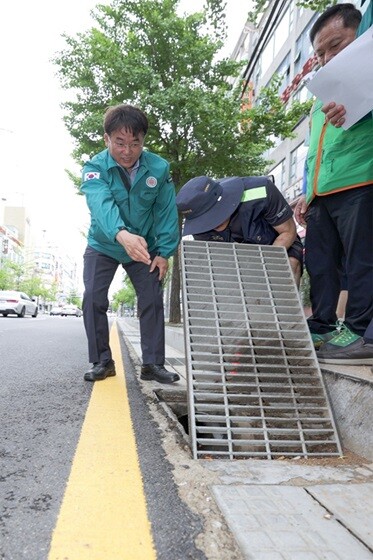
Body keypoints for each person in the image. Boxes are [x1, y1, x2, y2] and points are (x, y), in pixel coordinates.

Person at [294, 3, 373, 365]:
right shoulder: (318, 98)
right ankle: (324, 324)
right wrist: (306, 193)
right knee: (321, 264)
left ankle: (360, 331)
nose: (326, 58)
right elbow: (315, 152)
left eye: (335, 45)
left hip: (360, 180)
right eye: (320, 53)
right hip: (321, 195)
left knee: (362, 261)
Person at [80, 104, 180, 384]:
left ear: (143, 142)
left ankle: (153, 364)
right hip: (104, 243)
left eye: (135, 144)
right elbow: (100, 204)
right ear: (107, 140)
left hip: (143, 246)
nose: (127, 151)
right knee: (93, 298)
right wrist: (120, 234)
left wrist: (163, 252)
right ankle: (102, 360)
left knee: (151, 297)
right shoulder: (94, 168)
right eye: (120, 143)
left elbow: (166, 213)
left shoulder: (158, 169)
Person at [175, 175, 303, 286]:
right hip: (233, 259)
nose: (212, 224)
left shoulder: (262, 190)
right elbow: (215, 265)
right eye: (204, 221)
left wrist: (263, 265)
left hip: (276, 243)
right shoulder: (196, 219)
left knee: (288, 267)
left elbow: (288, 232)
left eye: (212, 216)